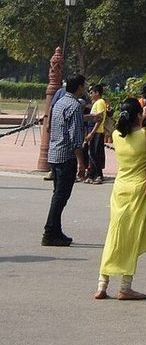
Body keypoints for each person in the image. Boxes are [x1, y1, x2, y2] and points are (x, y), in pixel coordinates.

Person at [94, 95, 146, 300]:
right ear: (139, 115)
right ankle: (125, 287)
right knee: (133, 236)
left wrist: (141, 117)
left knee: (114, 234)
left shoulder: (118, 136)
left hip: (120, 189)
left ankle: (102, 284)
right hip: (139, 190)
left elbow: (131, 132)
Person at [42, 72, 89, 247]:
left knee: (58, 194)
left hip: (54, 154)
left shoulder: (60, 103)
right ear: (79, 87)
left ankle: (55, 230)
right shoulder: (75, 106)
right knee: (61, 196)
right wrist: (81, 163)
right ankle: (49, 231)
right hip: (66, 156)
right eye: (84, 86)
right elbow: (76, 137)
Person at [84, 82, 109, 185]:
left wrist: (92, 133)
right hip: (94, 131)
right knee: (92, 154)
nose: (90, 95)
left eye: (92, 92)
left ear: (97, 93)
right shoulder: (96, 103)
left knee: (94, 154)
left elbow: (99, 118)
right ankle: (91, 174)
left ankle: (99, 175)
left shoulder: (100, 102)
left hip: (97, 131)